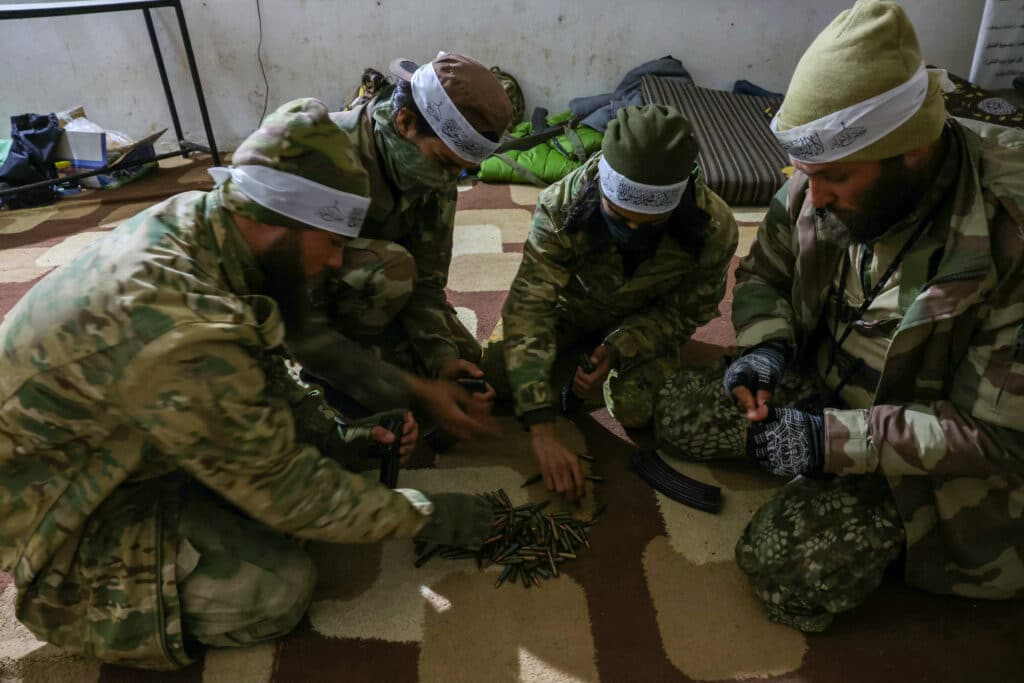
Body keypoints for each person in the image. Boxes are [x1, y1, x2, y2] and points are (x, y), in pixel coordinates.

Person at [0, 99, 494, 670]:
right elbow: (289, 491)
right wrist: (424, 513)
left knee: (296, 463)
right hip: (57, 511)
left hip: (118, 437)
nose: (337, 263)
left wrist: (333, 434)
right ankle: (72, 602)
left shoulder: (200, 220)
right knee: (275, 588)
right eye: (331, 241)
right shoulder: (181, 326)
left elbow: (254, 364)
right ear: (276, 220)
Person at [655, 0, 1024, 631]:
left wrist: (830, 443)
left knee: (781, 567)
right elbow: (764, 274)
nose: (813, 194)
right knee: (671, 413)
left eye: (834, 179)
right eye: (806, 174)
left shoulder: (1005, 235)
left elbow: (995, 437)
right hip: (824, 390)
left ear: (911, 152)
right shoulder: (820, 175)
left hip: (932, 459)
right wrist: (765, 351)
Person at [482, 104, 738, 500]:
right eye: (618, 217)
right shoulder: (561, 205)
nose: (631, 231)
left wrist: (621, 345)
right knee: (496, 373)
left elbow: (686, 312)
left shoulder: (714, 227)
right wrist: (541, 427)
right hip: (569, 308)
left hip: (643, 318)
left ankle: (593, 358)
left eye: (647, 225)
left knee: (638, 407)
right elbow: (530, 307)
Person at [289, 52, 513, 443]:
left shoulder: (436, 178)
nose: (450, 180)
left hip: (380, 293)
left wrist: (441, 360)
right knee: (392, 270)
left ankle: (381, 360)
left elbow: (426, 283)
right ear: (405, 122)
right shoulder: (325, 158)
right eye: (444, 162)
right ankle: (329, 378)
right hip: (305, 305)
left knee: (467, 367)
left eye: (461, 171)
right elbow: (282, 285)